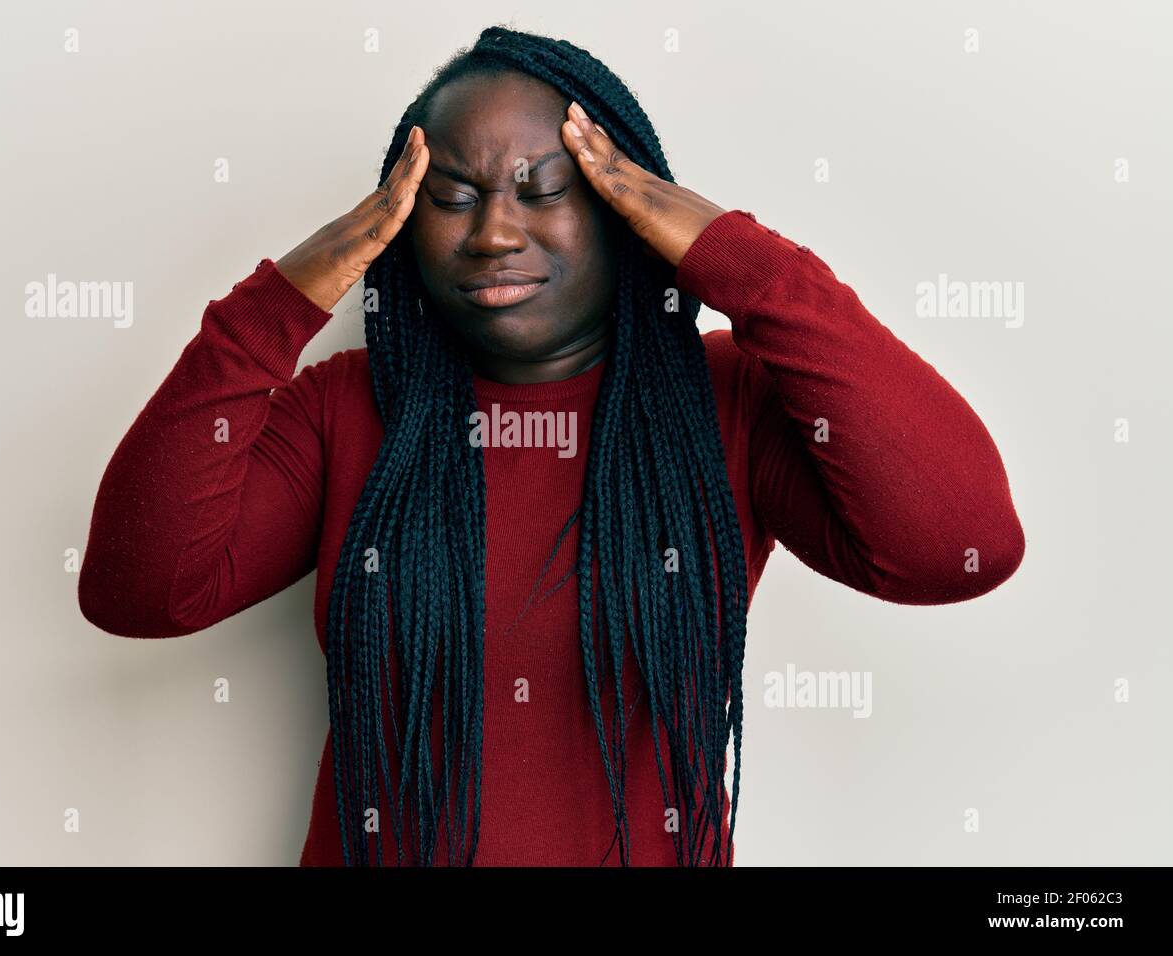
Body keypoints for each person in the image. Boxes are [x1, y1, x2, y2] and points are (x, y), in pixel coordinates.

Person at [78, 26, 1025, 867]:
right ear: (402, 226)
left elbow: (959, 546)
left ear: (626, 212)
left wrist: (741, 259)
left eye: (547, 190)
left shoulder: (721, 400)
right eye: (452, 195)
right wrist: (279, 303)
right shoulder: (350, 409)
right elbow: (139, 590)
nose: (494, 231)